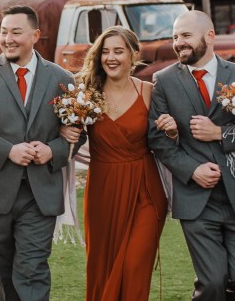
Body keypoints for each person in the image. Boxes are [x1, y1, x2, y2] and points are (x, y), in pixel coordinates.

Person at [147, 10, 235, 301]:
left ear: (209, 36)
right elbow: (157, 138)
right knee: (212, 283)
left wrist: (221, 133)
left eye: (185, 36)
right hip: (196, 199)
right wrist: (192, 170)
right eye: (175, 37)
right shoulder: (164, 80)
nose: (178, 43)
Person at [0, 5, 77, 301]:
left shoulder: (63, 78)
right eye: (3, 32)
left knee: (32, 269)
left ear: (35, 35)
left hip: (39, 192)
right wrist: (7, 150)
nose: (7, 38)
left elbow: (76, 133)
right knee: (0, 270)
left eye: (16, 32)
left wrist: (52, 150)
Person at [61, 26, 168, 300]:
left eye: (118, 51)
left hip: (145, 189)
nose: (111, 57)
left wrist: (172, 127)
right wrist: (65, 132)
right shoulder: (86, 94)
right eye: (105, 51)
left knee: (134, 267)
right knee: (102, 266)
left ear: (133, 56)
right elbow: (66, 134)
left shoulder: (150, 92)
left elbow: (163, 138)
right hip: (103, 191)